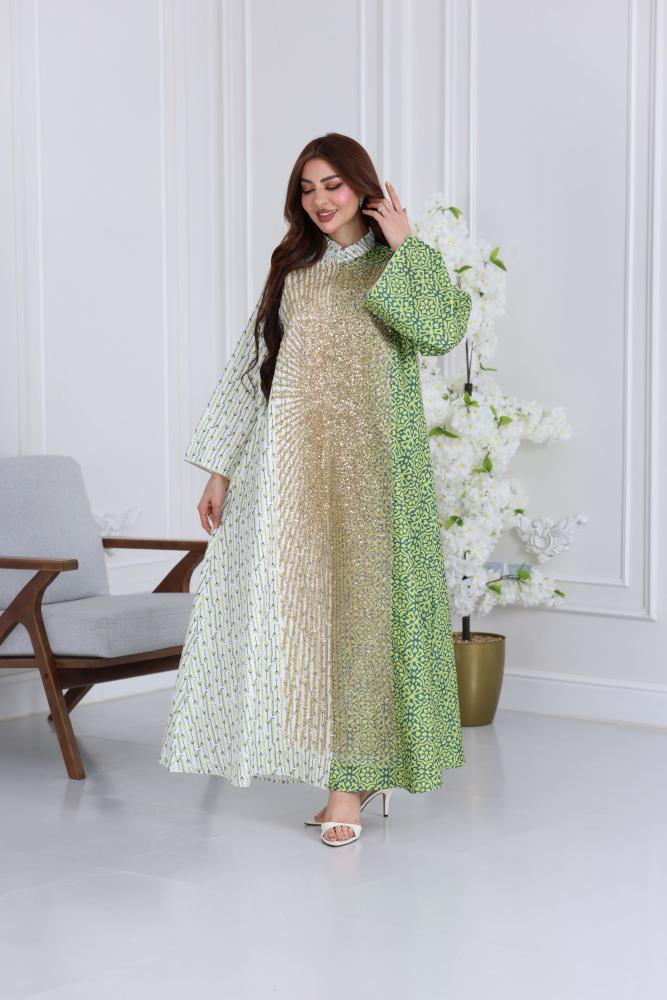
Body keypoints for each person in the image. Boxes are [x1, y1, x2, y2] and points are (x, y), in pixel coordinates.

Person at [159, 132, 472, 848]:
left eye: (332, 184)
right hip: (293, 474)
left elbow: (442, 331)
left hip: (378, 475)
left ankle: (349, 786)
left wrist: (408, 245)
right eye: (307, 188)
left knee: (367, 623)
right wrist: (221, 469)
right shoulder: (293, 272)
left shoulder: (394, 266)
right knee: (305, 625)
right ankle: (342, 771)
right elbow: (253, 368)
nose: (319, 200)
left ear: (363, 187)